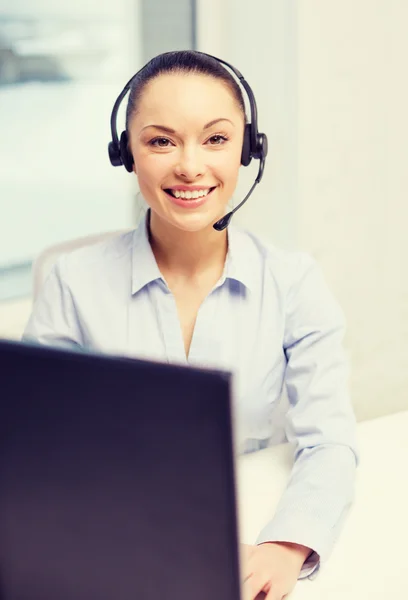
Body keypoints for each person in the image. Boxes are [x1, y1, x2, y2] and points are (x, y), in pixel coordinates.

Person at [23, 50, 359, 600]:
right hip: (110, 542)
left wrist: (288, 544)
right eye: (160, 141)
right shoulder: (72, 282)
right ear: (125, 153)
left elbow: (332, 442)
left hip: (249, 534)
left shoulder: (293, 282)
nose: (189, 166)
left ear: (249, 149)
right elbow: (38, 443)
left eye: (216, 139)